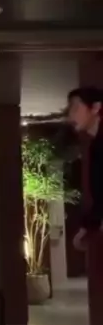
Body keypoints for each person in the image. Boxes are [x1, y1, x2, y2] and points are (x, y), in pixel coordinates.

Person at [67, 86, 103, 252]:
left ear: (95, 108)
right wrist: (87, 226)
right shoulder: (96, 144)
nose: (71, 116)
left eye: (76, 108)